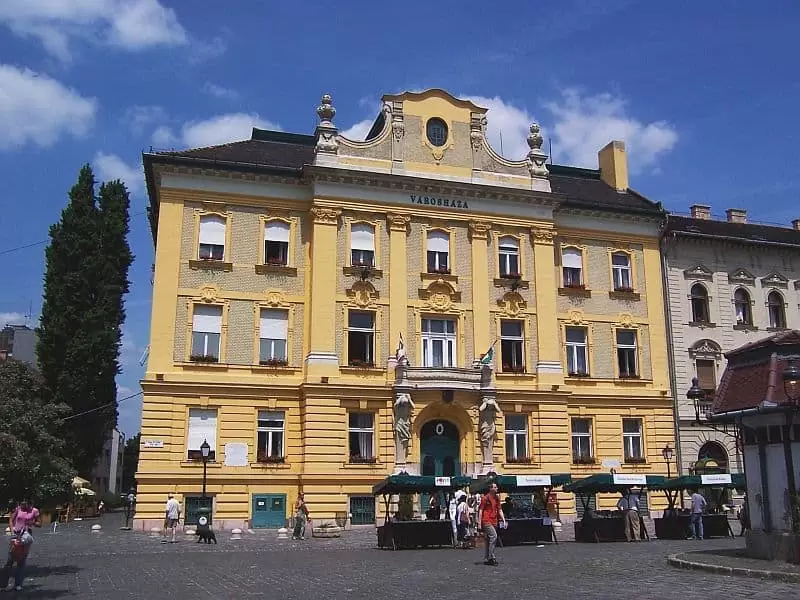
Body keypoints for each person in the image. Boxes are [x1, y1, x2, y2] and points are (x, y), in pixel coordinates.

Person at [477, 482, 506, 566]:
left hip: (494, 521)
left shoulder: (497, 498)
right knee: (494, 536)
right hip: (486, 520)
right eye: (495, 487)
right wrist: (479, 522)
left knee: (488, 540)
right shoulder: (485, 498)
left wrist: (503, 520)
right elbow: (481, 510)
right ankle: (491, 557)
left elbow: (499, 510)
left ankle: (486, 558)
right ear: (491, 489)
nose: (497, 488)